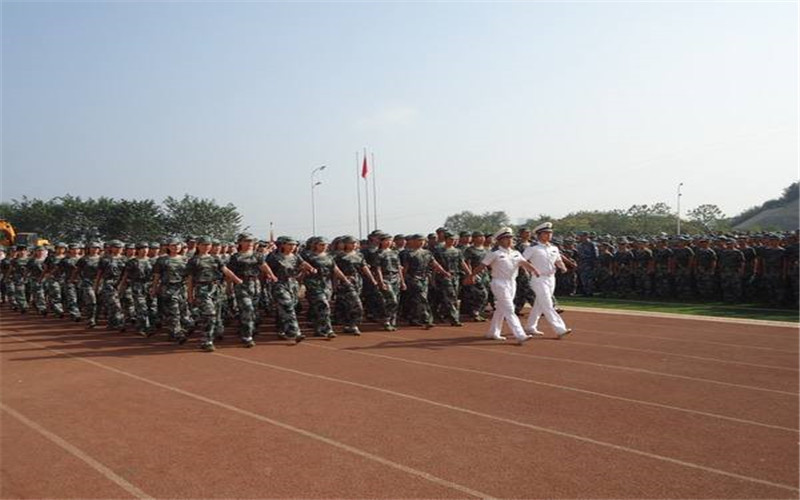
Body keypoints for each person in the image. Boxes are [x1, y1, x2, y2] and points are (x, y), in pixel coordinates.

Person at [468, 227, 541, 345]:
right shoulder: (494, 253)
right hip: (499, 283)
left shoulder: (515, 253)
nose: (510, 240)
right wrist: (471, 276)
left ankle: (493, 332)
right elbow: (482, 266)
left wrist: (534, 270)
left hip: (512, 282)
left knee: (501, 309)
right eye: (506, 238)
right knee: (509, 308)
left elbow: (524, 263)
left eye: (511, 238)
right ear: (500, 240)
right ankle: (520, 334)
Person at [522, 223, 573, 339]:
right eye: (546, 233)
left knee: (539, 304)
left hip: (551, 278)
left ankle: (530, 326)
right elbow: (522, 261)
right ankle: (560, 328)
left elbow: (558, 260)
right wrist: (530, 270)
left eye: (550, 233)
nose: (549, 235)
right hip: (538, 278)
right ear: (539, 235)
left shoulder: (554, 248)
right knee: (548, 303)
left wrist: (562, 267)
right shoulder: (532, 248)